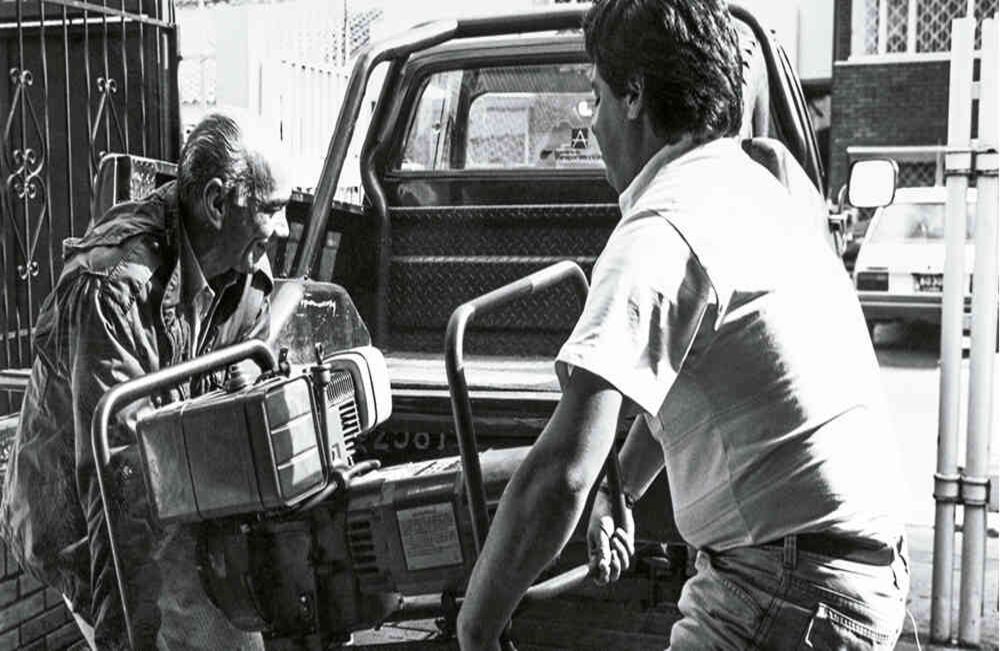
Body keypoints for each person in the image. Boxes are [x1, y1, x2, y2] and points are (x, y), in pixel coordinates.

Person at [457, 1, 909, 649]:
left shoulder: (665, 223)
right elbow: (690, 374)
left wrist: (477, 628)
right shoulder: (762, 183)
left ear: (634, 94)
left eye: (597, 100)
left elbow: (561, 473)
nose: (597, 124)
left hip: (784, 585)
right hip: (846, 575)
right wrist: (626, 489)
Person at [0, 111, 292, 649]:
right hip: (87, 528)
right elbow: (116, 485)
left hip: (172, 501)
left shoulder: (245, 270)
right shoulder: (112, 289)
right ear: (217, 202)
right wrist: (126, 636)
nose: (284, 229)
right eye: (271, 209)